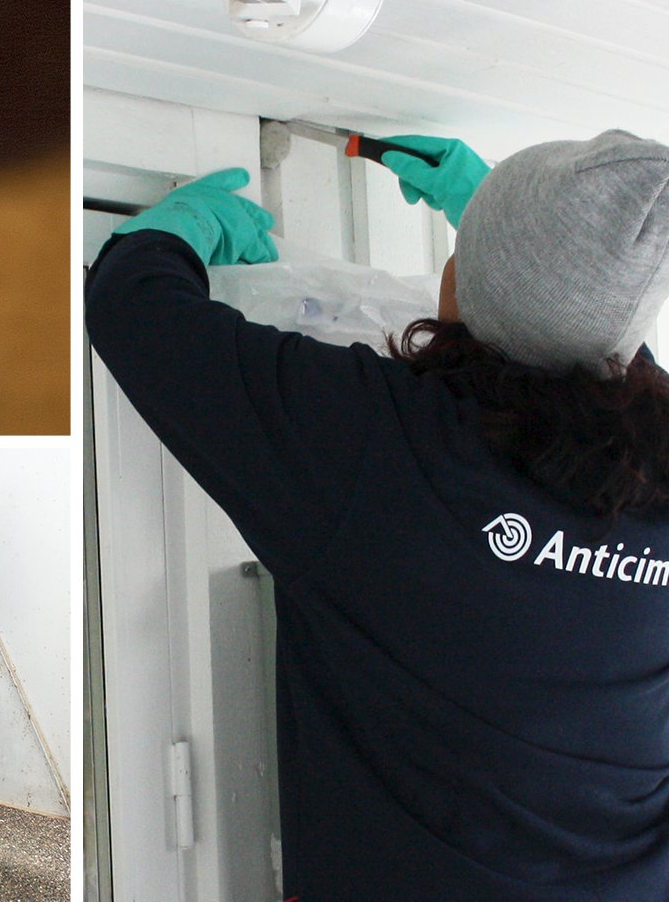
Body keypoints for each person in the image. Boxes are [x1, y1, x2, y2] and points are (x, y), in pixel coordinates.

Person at [86, 129, 669, 901]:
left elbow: (134, 309)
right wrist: (535, 245)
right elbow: (605, 355)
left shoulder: (378, 450)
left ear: (466, 286)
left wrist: (172, 227)